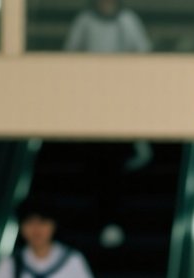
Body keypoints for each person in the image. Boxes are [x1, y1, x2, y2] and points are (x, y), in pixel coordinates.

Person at [63, 0, 153, 172]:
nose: (106, 4)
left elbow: (143, 49)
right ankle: (83, 151)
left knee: (129, 115)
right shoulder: (85, 20)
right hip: (92, 81)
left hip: (123, 82)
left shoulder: (127, 19)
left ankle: (140, 151)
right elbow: (70, 50)